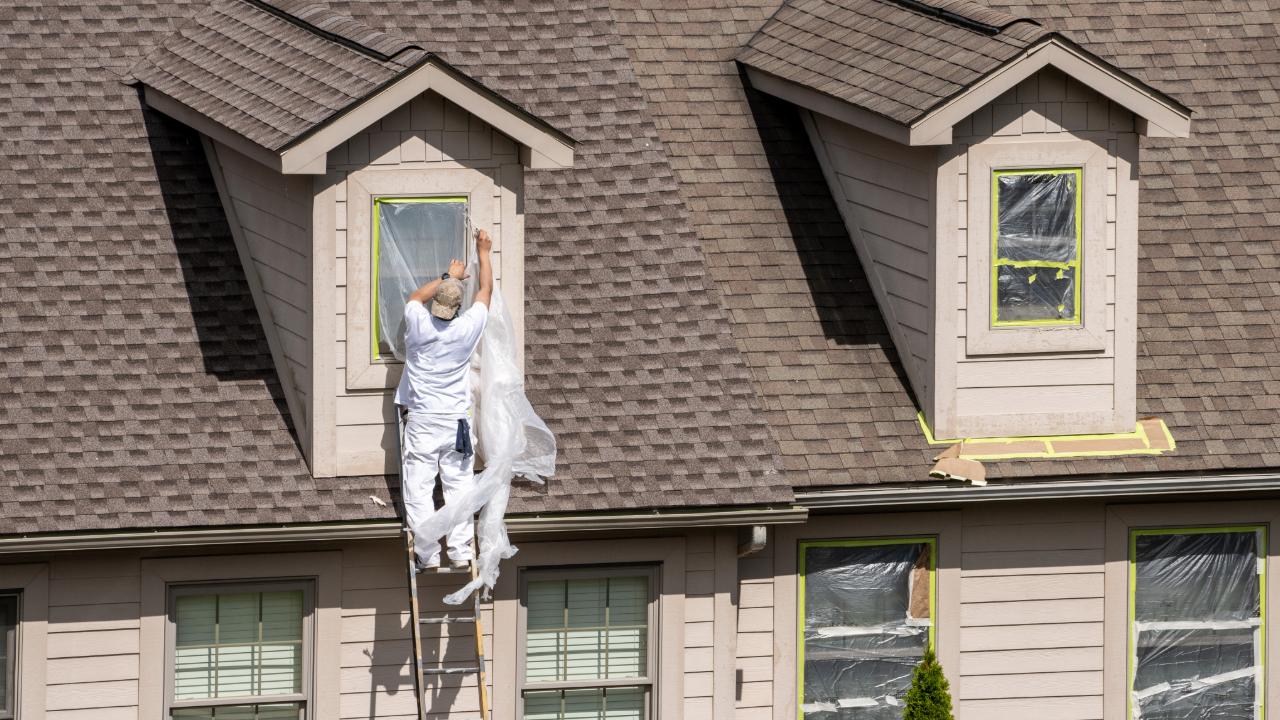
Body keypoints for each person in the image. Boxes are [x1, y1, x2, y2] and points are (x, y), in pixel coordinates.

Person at [395, 229, 493, 570]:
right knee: (459, 487)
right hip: (456, 423)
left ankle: (427, 554)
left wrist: (447, 277)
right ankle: (462, 552)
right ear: (458, 308)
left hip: (423, 420)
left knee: (419, 487)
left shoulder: (418, 324)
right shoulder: (467, 329)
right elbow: (485, 291)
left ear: (437, 302)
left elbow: (413, 297)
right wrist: (483, 253)